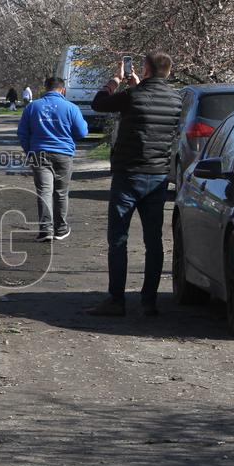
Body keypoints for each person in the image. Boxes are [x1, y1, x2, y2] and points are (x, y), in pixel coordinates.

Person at [88, 52, 182, 317]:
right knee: (154, 241)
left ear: (146, 70)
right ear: (168, 71)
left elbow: (99, 103)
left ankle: (116, 300)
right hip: (158, 176)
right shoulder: (176, 100)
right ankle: (149, 302)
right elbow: (152, 116)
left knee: (118, 239)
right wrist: (138, 86)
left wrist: (115, 80)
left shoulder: (133, 96)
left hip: (128, 175)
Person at [18, 77, 88, 242]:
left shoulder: (32, 107)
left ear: (45, 88)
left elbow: (22, 133)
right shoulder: (71, 107)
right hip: (64, 154)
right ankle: (61, 229)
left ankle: (45, 230)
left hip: (39, 153)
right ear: (63, 90)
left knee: (44, 191)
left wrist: (30, 151)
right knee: (61, 192)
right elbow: (82, 132)